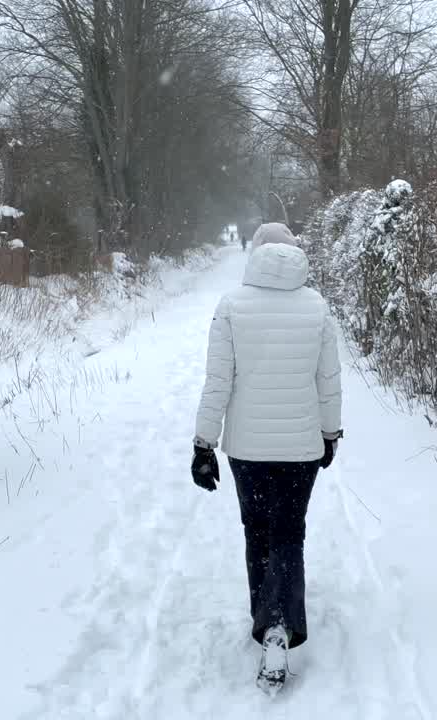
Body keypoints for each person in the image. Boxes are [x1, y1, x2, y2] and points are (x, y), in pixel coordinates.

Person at [191, 222, 343, 695]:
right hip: (300, 449)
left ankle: (269, 621)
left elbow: (218, 381)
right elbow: (328, 381)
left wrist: (202, 445)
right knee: (288, 532)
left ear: (255, 253)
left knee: (257, 529)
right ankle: (279, 624)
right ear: (296, 252)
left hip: (249, 451)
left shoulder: (231, 307)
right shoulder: (317, 308)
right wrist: (330, 434)